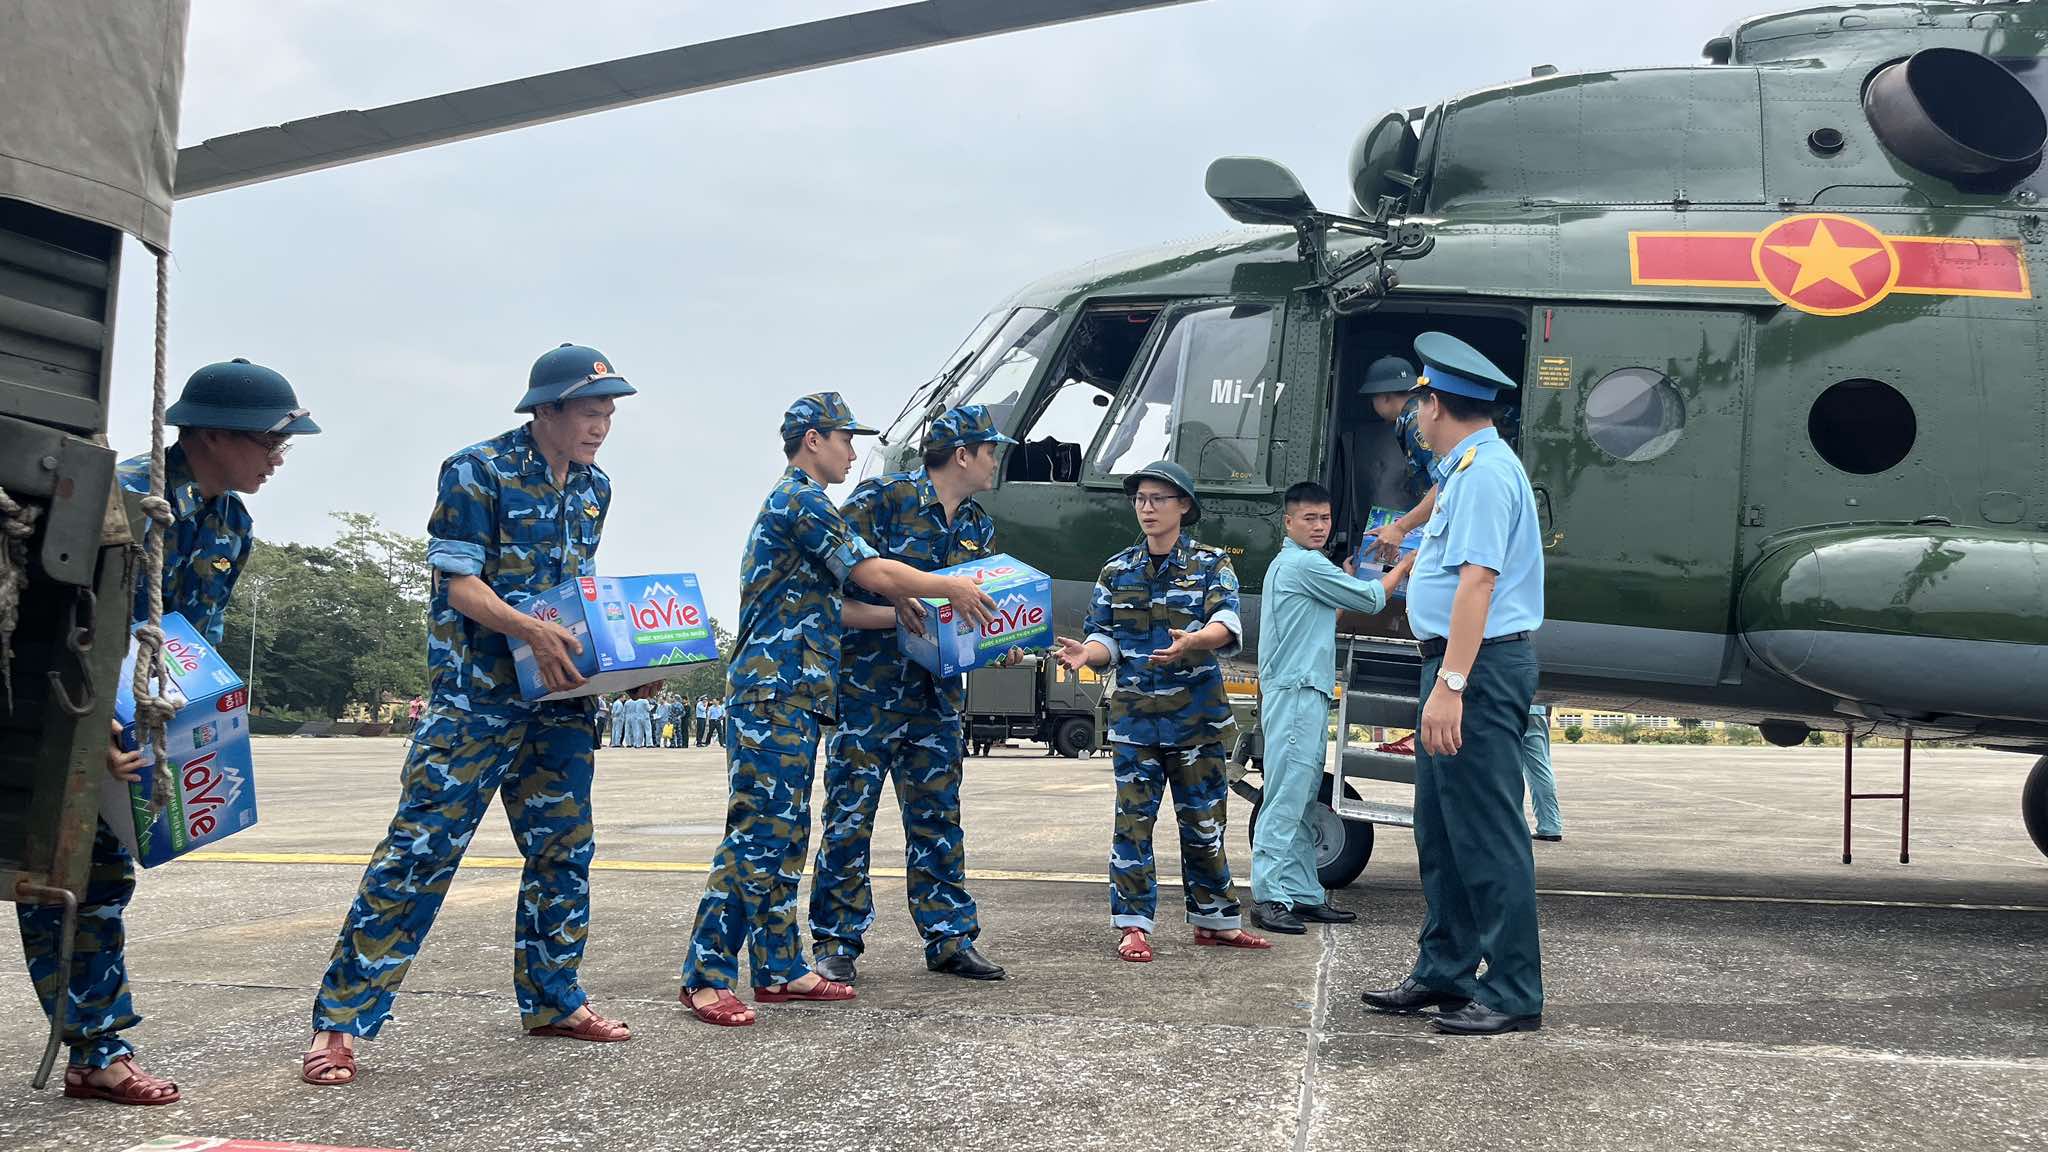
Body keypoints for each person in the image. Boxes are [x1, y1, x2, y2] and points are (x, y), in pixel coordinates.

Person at [304, 343, 639, 1086]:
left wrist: (627, 665)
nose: (602, 426)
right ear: (545, 409)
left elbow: (576, 600)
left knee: (564, 853)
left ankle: (554, 999)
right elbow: (460, 585)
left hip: (558, 705)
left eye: (609, 413)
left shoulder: (595, 489)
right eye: (591, 411)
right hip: (474, 699)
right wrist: (526, 628)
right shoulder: (476, 470)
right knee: (419, 852)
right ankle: (340, 1024)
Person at [15, 358, 318, 1106]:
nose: (279, 457)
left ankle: (95, 1052)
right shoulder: (123, 501)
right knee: (64, 884)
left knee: (101, 887)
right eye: (268, 440)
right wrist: (97, 732)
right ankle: (96, 1050)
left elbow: (188, 643)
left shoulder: (230, 523)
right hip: (67, 720)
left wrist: (190, 731)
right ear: (212, 434)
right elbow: (61, 625)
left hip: (142, 728)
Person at [677, 392, 997, 1027]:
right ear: (813, 440)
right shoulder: (800, 500)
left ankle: (778, 968)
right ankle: (706, 975)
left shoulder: (814, 502)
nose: (855, 452)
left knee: (788, 834)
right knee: (760, 834)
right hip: (775, 687)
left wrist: (932, 616)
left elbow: (848, 604)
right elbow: (870, 571)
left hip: (803, 691)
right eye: (846, 439)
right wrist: (948, 586)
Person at [1359, 331, 1545, 1036]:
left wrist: (1454, 684)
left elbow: (1478, 584)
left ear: (1436, 405)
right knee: (1442, 830)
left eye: (1418, 404)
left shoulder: (1489, 475)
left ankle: (1514, 992)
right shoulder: (1467, 470)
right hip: (1456, 663)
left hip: (1480, 667)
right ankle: (1444, 971)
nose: (1413, 417)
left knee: (1488, 834)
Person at [809, 404, 1015, 986]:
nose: (996, 460)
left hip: (936, 697)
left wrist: (1004, 639)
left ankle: (949, 937)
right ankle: (836, 939)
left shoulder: (976, 525)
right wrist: (894, 612)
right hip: (868, 692)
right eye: (990, 449)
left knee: (939, 820)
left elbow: (972, 610)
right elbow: (834, 587)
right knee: (850, 817)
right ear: (962, 454)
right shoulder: (880, 501)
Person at [1053, 460, 1269, 964]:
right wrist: (1089, 653)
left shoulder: (1213, 564)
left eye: (1158, 499)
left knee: (1204, 823)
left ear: (1184, 507)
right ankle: (1132, 925)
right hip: (1135, 721)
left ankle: (1215, 921)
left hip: (1196, 719)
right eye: (1140, 500)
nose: (1147, 508)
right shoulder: (1116, 569)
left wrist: (1196, 640)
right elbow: (1103, 635)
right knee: (1133, 825)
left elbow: (1227, 622)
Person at [1250, 481, 1413, 936]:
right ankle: (1269, 896)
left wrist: (1344, 575)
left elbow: (1331, 614)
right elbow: (1371, 599)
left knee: (1304, 798)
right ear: (1288, 523)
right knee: (1285, 798)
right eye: (1309, 519)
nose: (1319, 526)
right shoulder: (1301, 563)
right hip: (1297, 693)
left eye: (1324, 518)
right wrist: (1404, 565)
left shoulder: (1307, 567)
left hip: (1308, 693)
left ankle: (1302, 893)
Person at [1524, 705, 1562, 841]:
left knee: (1505, 769)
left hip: (1506, 705)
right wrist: (1547, 714)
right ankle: (1551, 826)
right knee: (1540, 768)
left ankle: (1509, 826)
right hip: (1536, 711)